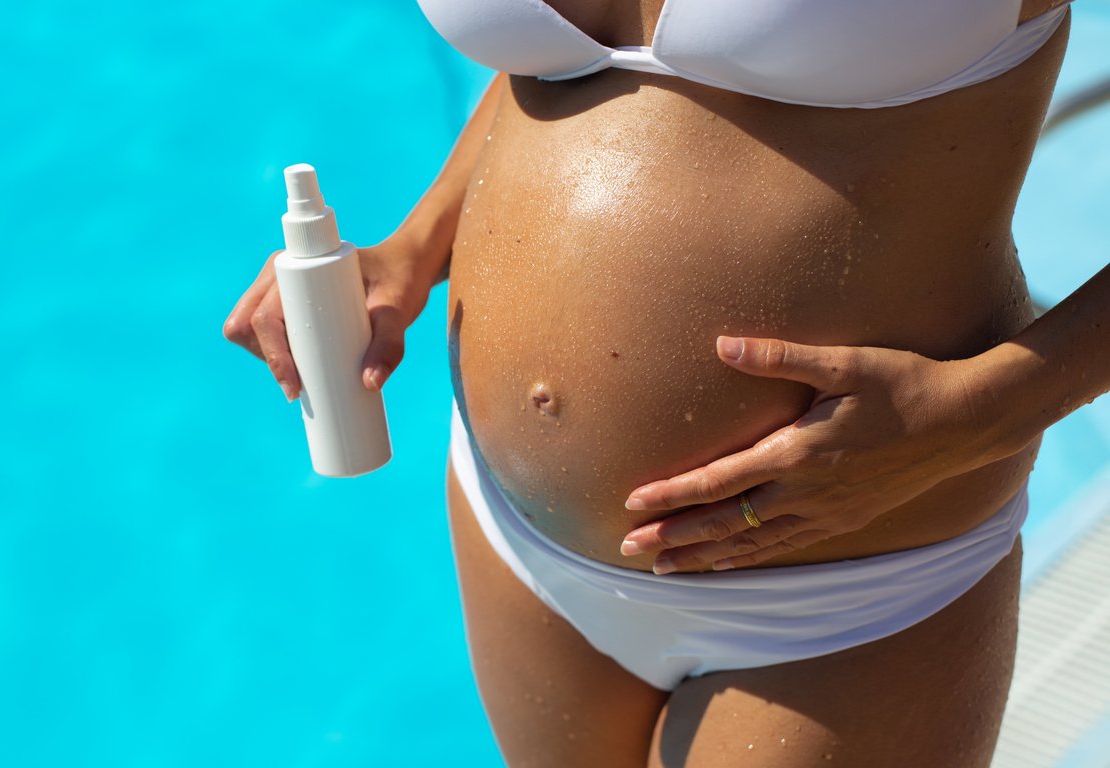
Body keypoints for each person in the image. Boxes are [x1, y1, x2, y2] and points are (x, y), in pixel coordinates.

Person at [225, 1, 1108, 764]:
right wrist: (418, 243)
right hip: (514, 541)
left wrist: (988, 410)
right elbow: (578, 60)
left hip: (847, 591)